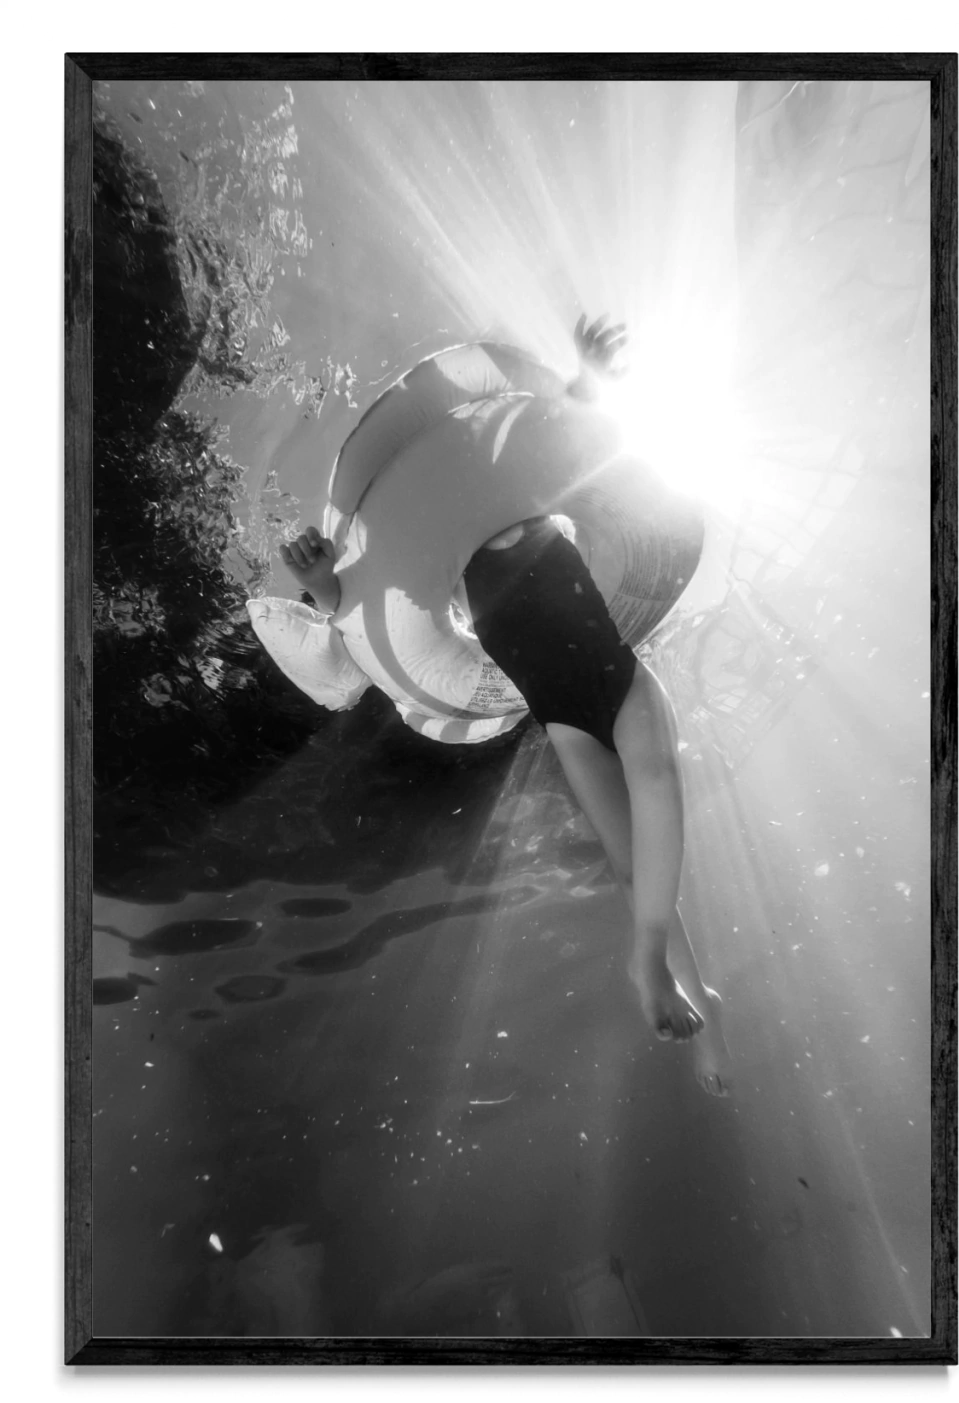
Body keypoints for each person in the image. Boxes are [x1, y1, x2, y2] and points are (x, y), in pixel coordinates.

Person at [281, 317, 733, 1097]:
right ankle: (697, 994)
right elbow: (361, 617)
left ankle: (651, 957)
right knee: (629, 860)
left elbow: (566, 437)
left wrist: (590, 375)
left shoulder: (541, 498)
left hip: (620, 677)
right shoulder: (435, 558)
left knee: (659, 778)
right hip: (564, 716)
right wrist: (321, 581)